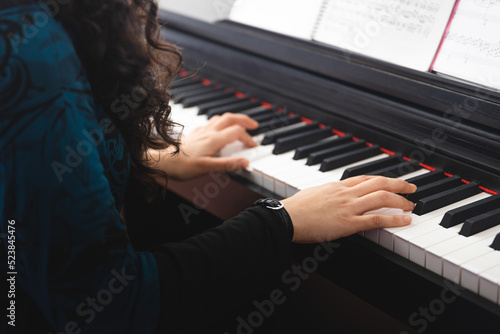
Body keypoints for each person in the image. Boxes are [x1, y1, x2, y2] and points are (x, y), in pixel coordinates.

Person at [0, 0, 417, 333]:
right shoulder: (33, 52)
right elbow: (110, 308)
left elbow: (23, 179)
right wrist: (282, 220)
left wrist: (138, 157)